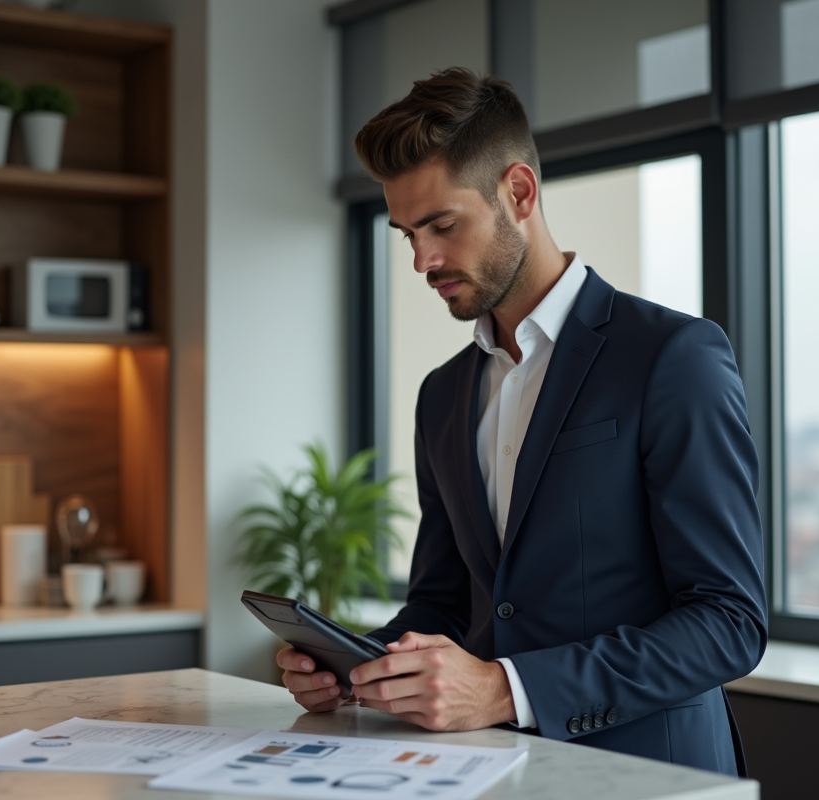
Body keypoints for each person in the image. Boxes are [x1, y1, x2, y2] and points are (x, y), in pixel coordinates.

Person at [277, 67, 767, 777]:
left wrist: (508, 687)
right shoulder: (442, 395)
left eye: (442, 225)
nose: (422, 260)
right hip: (492, 772)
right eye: (407, 233)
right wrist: (355, 666)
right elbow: (444, 604)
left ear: (519, 192)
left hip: (652, 776)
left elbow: (728, 622)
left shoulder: (671, 357)